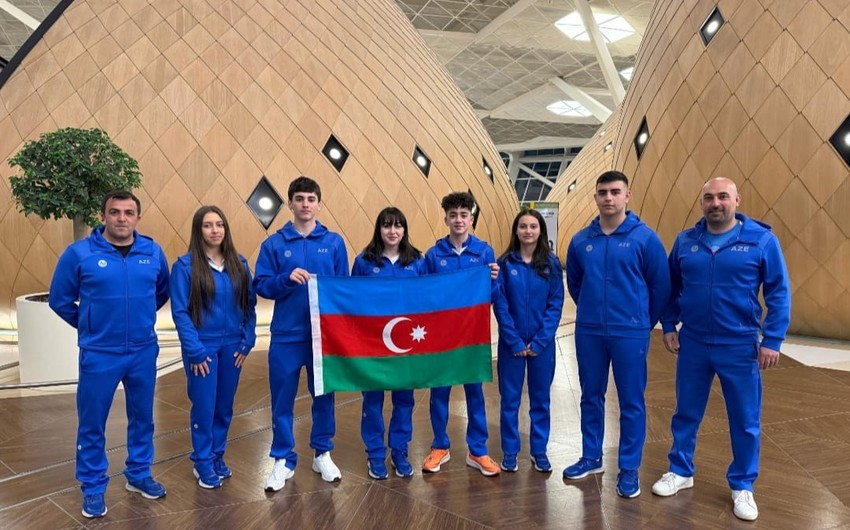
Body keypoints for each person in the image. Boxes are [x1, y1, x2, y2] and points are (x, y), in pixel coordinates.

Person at [651, 177, 790, 521]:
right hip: (694, 343)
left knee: (744, 418)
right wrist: (668, 325)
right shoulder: (686, 241)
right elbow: (670, 287)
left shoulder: (761, 241)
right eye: (709, 198)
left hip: (740, 344)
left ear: (736, 200)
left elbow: (778, 291)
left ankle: (743, 484)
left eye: (723, 197)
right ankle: (680, 470)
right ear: (702, 203)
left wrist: (772, 339)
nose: (716, 203)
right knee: (686, 412)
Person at [49, 190, 170, 519]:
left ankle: (139, 473)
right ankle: (92, 486)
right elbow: (59, 299)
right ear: (103, 216)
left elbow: (161, 292)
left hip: (143, 351)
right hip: (99, 354)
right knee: (92, 423)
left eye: (128, 213)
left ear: (138, 217)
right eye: (114, 212)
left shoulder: (153, 252)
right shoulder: (79, 254)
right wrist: (91, 325)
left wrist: (139, 320)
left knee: (143, 418)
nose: (121, 218)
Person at [563, 171, 670, 498]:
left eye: (615, 191)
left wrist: (641, 321)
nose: (608, 197)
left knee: (631, 401)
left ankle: (629, 468)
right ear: (595, 197)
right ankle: (591, 457)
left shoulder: (645, 239)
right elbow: (576, 284)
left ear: (627, 196)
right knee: (590, 395)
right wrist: (593, 311)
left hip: (630, 332)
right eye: (603, 192)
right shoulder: (581, 240)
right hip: (590, 332)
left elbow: (660, 286)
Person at [254, 176, 349, 491]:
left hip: (323, 336)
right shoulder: (274, 244)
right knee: (282, 399)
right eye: (299, 199)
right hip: (286, 335)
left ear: (318, 204)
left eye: (311, 199)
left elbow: (343, 287)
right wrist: (284, 279)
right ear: (290, 203)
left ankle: (322, 452)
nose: (305, 204)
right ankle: (283, 457)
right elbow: (261, 285)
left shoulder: (334, 243)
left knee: (324, 395)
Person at [170, 206, 257, 489]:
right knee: (204, 406)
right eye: (208, 225)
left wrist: (248, 339)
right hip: (202, 348)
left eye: (219, 224)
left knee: (224, 406)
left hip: (232, 347)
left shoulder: (239, 264)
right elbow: (180, 312)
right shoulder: (184, 267)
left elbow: (249, 306)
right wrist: (194, 350)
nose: (215, 230)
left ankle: (217, 454)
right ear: (198, 230)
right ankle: (202, 461)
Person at [422, 191, 501, 476]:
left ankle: (477, 450)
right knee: (439, 393)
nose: (458, 220)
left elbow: (494, 295)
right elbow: (424, 295)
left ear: (471, 219)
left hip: (472, 337)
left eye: (464, 215)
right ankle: (439, 446)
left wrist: (492, 281)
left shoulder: (484, 252)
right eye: (453, 215)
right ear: (445, 219)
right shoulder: (433, 255)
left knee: (475, 394)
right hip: (442, 338)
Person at [352, 207, 426, 480]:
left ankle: (399, 451)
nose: (392, 231)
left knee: (404, 400)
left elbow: (430, 298)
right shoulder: (363, 261)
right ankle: (375, 454)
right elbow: (351, 299)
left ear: (404, 230)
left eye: (398, 225)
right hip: (372, 345)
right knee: (372, 401)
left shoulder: (417, 261)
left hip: (407, 345)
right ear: (379, 229)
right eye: (387, 225)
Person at [493, 209, 564, 474]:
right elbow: (500, 303)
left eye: (533, 226)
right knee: (509, 401)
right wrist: (512, 340)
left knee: (540, 400)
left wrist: (541, 341)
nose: (528, 231)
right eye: (523, 226)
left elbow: (555, 303)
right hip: (510, 345)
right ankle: (510, 452)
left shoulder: (551, 264)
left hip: (541, 347)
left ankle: (539, 451)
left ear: (541, 230)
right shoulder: (504, 263)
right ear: (516, 230)